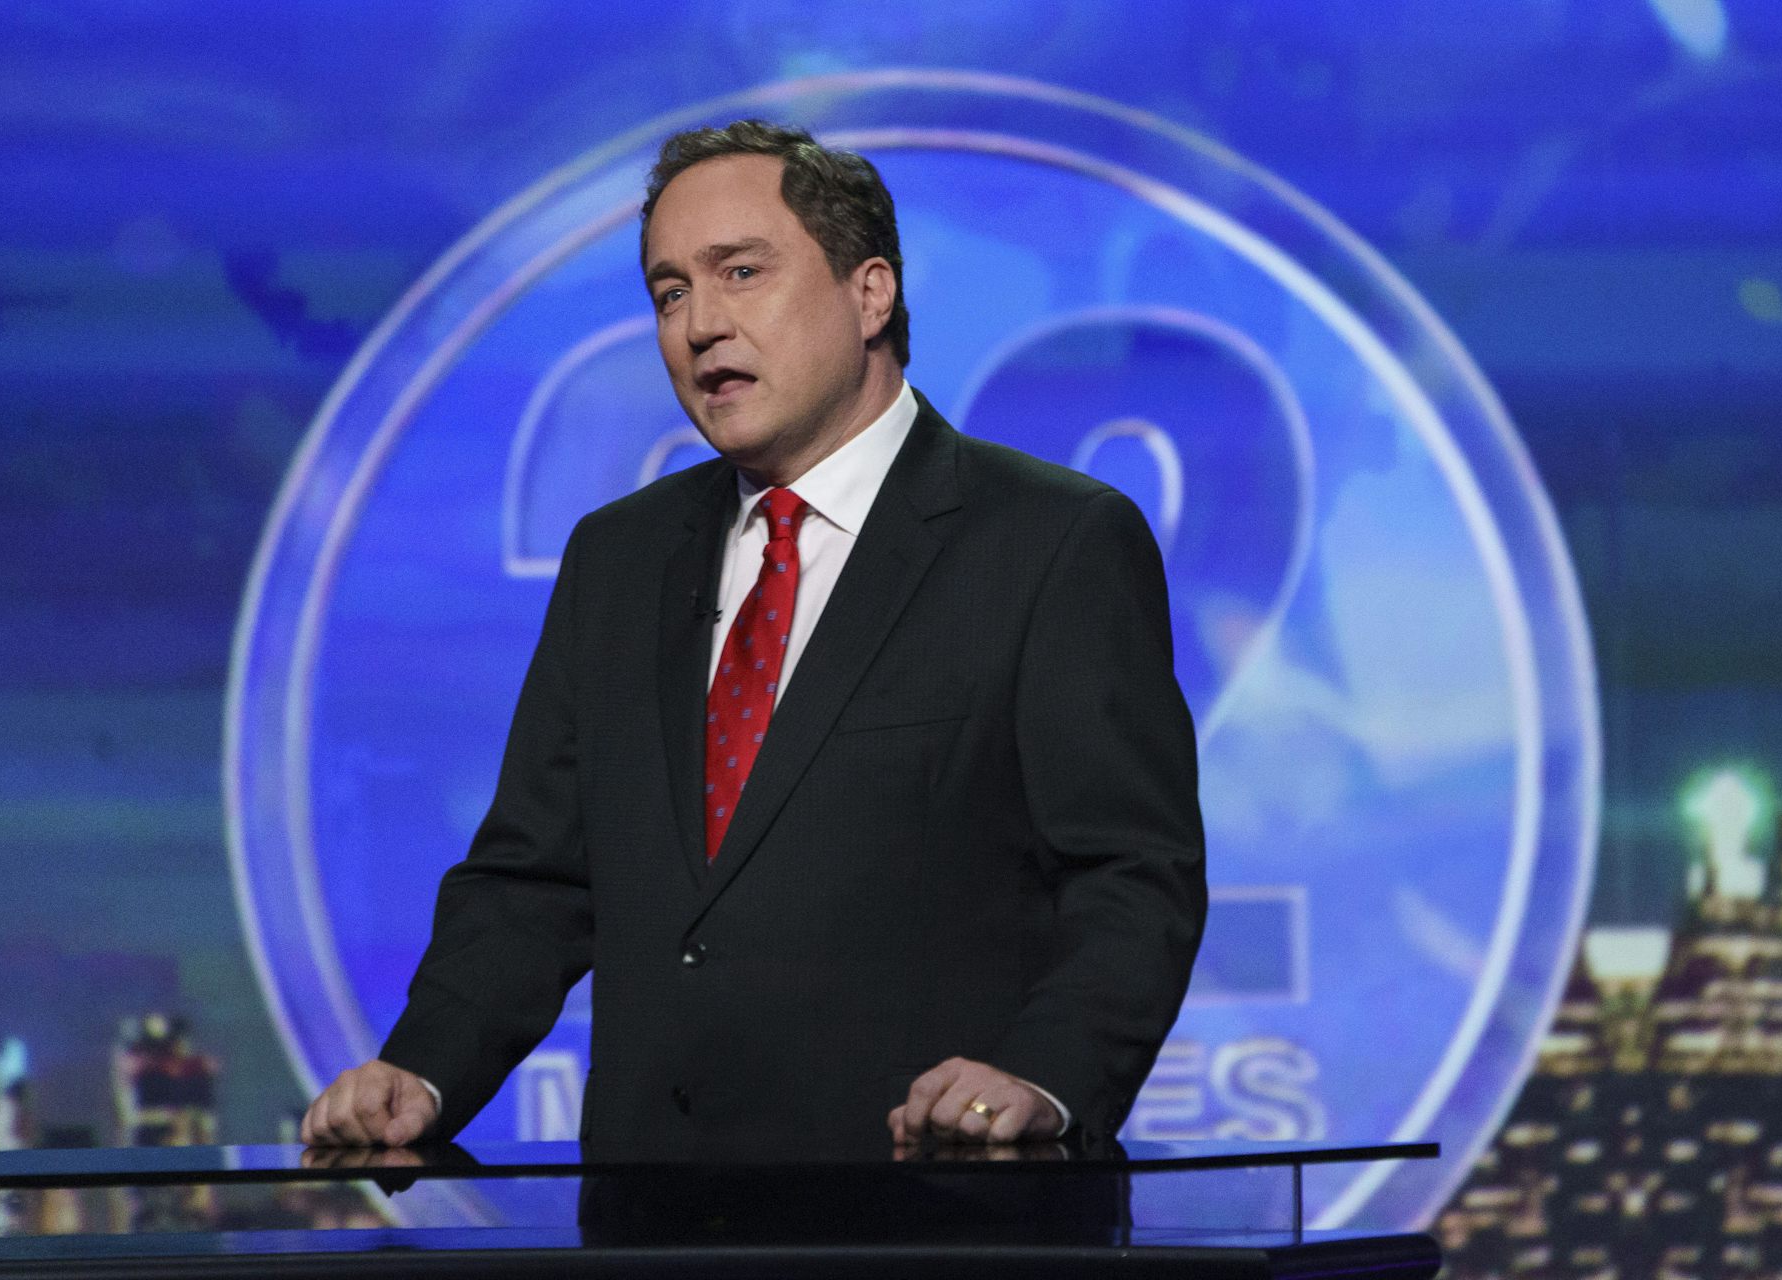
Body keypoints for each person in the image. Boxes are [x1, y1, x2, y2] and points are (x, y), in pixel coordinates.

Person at [300, 119, 1206, 1153]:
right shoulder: (618, 559)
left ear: (870, 293)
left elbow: (1134, 874)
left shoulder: (1051, 542)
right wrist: (421, 1066)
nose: (698, 325)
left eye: (740, 272)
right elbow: (534, 878)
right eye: (670, 291)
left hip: (946, 1208)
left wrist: (1045, 1079)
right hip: (657, 1223)